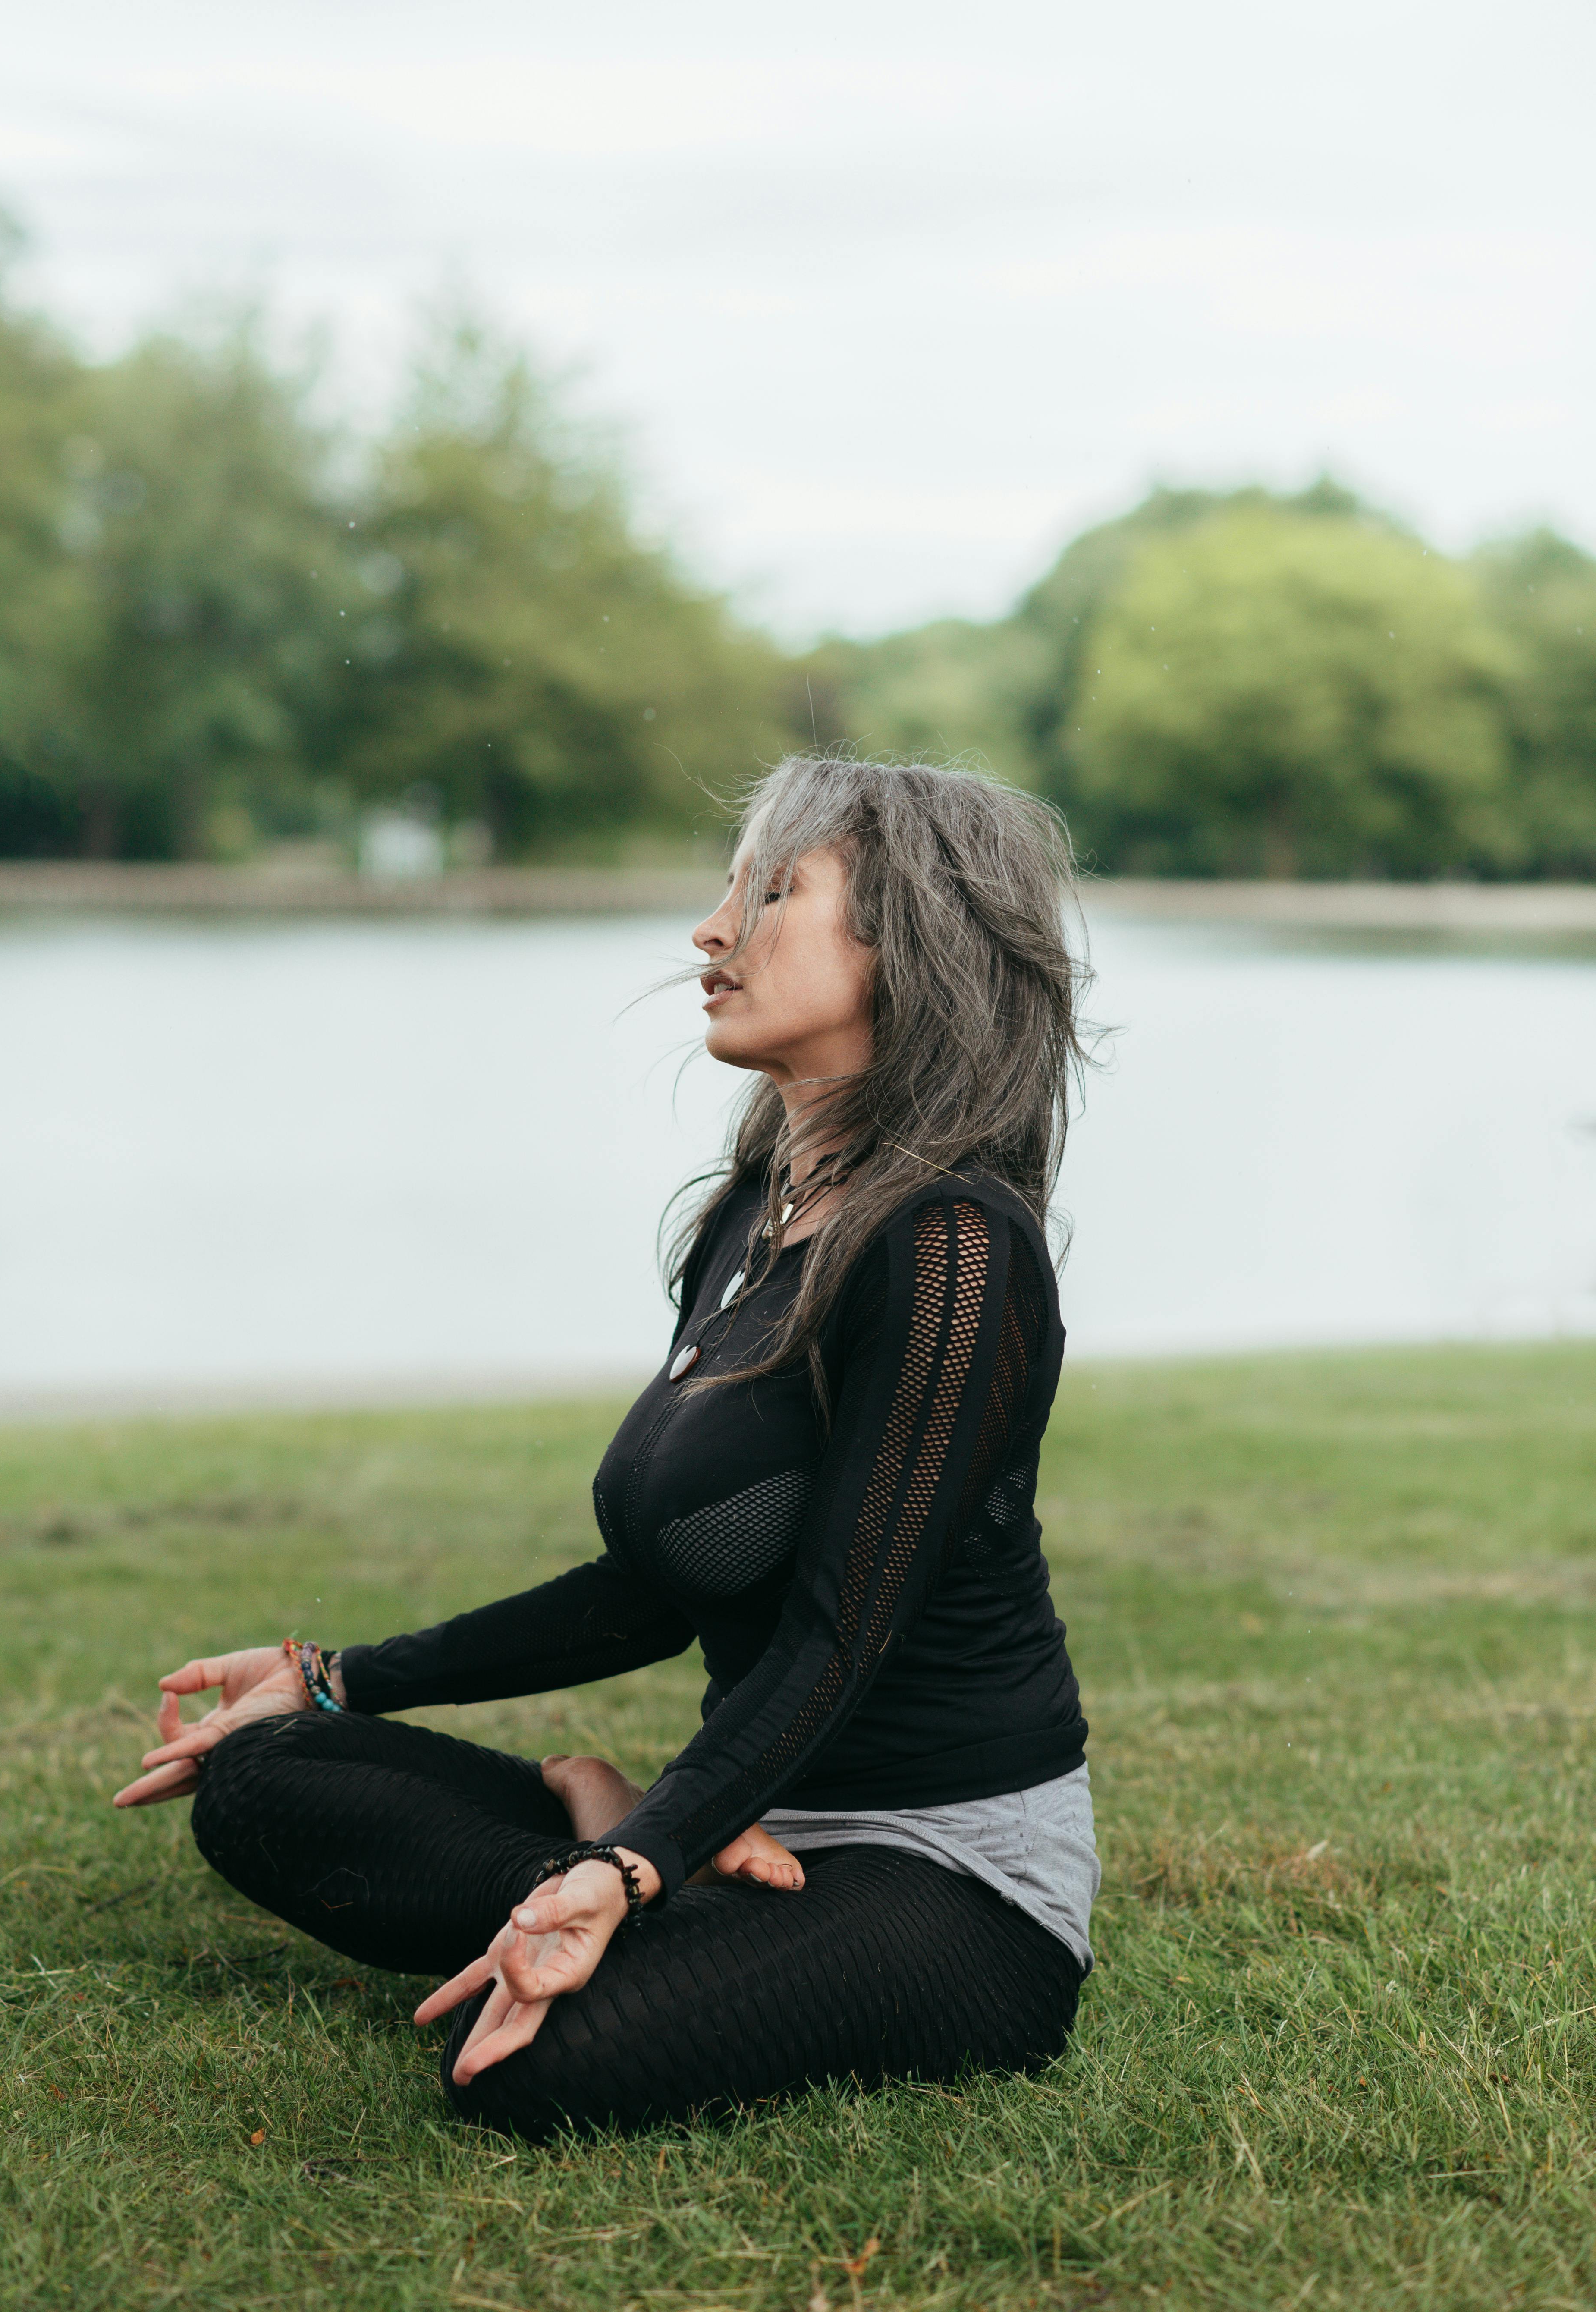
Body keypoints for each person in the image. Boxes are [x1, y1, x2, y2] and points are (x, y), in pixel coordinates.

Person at [115, 754, 1099, 2139]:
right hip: (737, 1808)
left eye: (770, 893)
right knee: (262, 1779)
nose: (711, 931)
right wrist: (333, 1679)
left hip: (941, 1875)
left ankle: (627, 1858)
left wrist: (631, 1867)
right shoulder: (757, 1211)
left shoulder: (949, 1248)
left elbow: (841, 1633)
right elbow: (656, 1584)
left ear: (914, 940)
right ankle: (643, 1851)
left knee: (534, 2075)